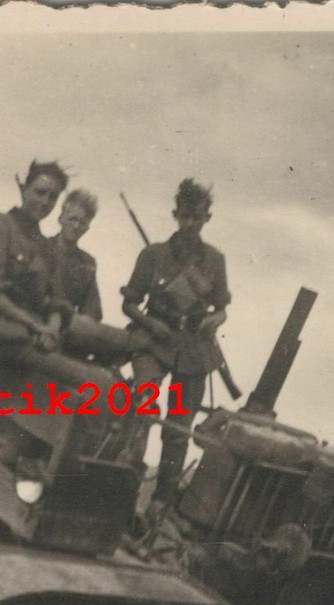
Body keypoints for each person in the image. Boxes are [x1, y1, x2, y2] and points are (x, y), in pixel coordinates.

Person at [121, 178, 230, 511]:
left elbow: (222, 308)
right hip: (154, 343)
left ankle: (161, 504)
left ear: (207, 218)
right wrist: (151, 324)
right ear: (175, 214)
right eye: (184, 215)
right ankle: (122, 488)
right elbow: (129, 304)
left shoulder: (214, 260)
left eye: (197, 217)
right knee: (143, 409)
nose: (190, 223)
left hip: (194, 350)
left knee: (179, 428)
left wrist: (216, 319)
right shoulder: (153, 255)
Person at [0, 160, 73, 356]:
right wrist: (36, 326)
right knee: (82, 381)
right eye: (40, 192)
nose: (45, 202)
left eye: (53, 197)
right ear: (24, 190)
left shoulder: (46, 247)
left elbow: (57, 300)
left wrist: (52, 331)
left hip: (28, 340)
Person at [47, 189, 102, 322]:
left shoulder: (87, 263)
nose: (76, 226)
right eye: (72, 219)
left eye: (82, 223)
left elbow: (91, 310)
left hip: (69, 326)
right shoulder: (40, 248)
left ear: (87, 228)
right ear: (61, 219)